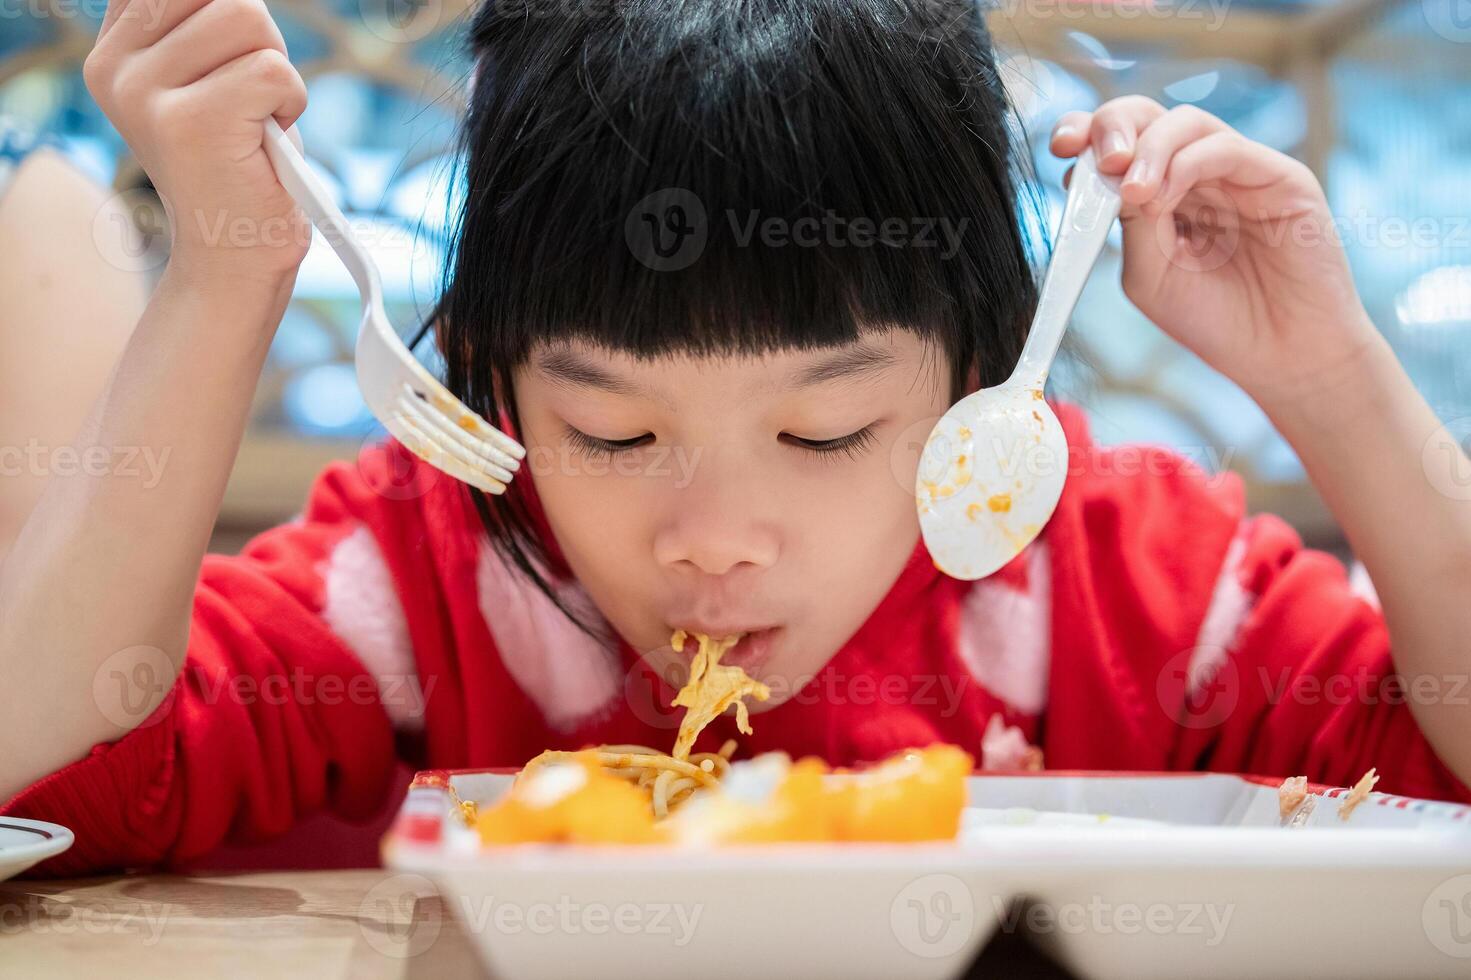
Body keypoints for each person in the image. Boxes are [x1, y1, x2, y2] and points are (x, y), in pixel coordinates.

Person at [2, 0, 1467, 877]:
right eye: (611, 428)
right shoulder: (435, 561)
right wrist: (222, 276)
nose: (711, 537)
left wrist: (1335, 377)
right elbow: (40, 774)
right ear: (497, 384)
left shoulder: (1133, 580)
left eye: (825, 430)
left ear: (981, 377)